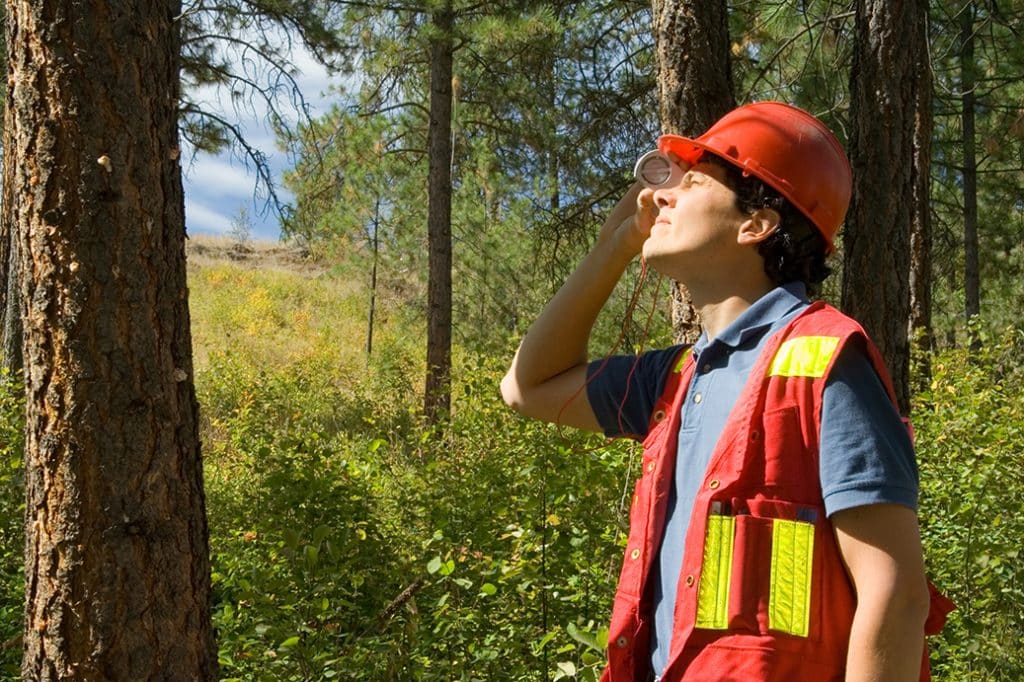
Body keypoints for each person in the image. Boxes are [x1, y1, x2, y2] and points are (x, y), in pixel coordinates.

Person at [500, 102, 950, 681]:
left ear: (756, 224)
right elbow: (526, 387)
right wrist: (617, 244)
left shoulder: (824, 360)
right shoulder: (677, 377)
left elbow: (895, 595)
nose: (660, 196)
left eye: (689, 184)